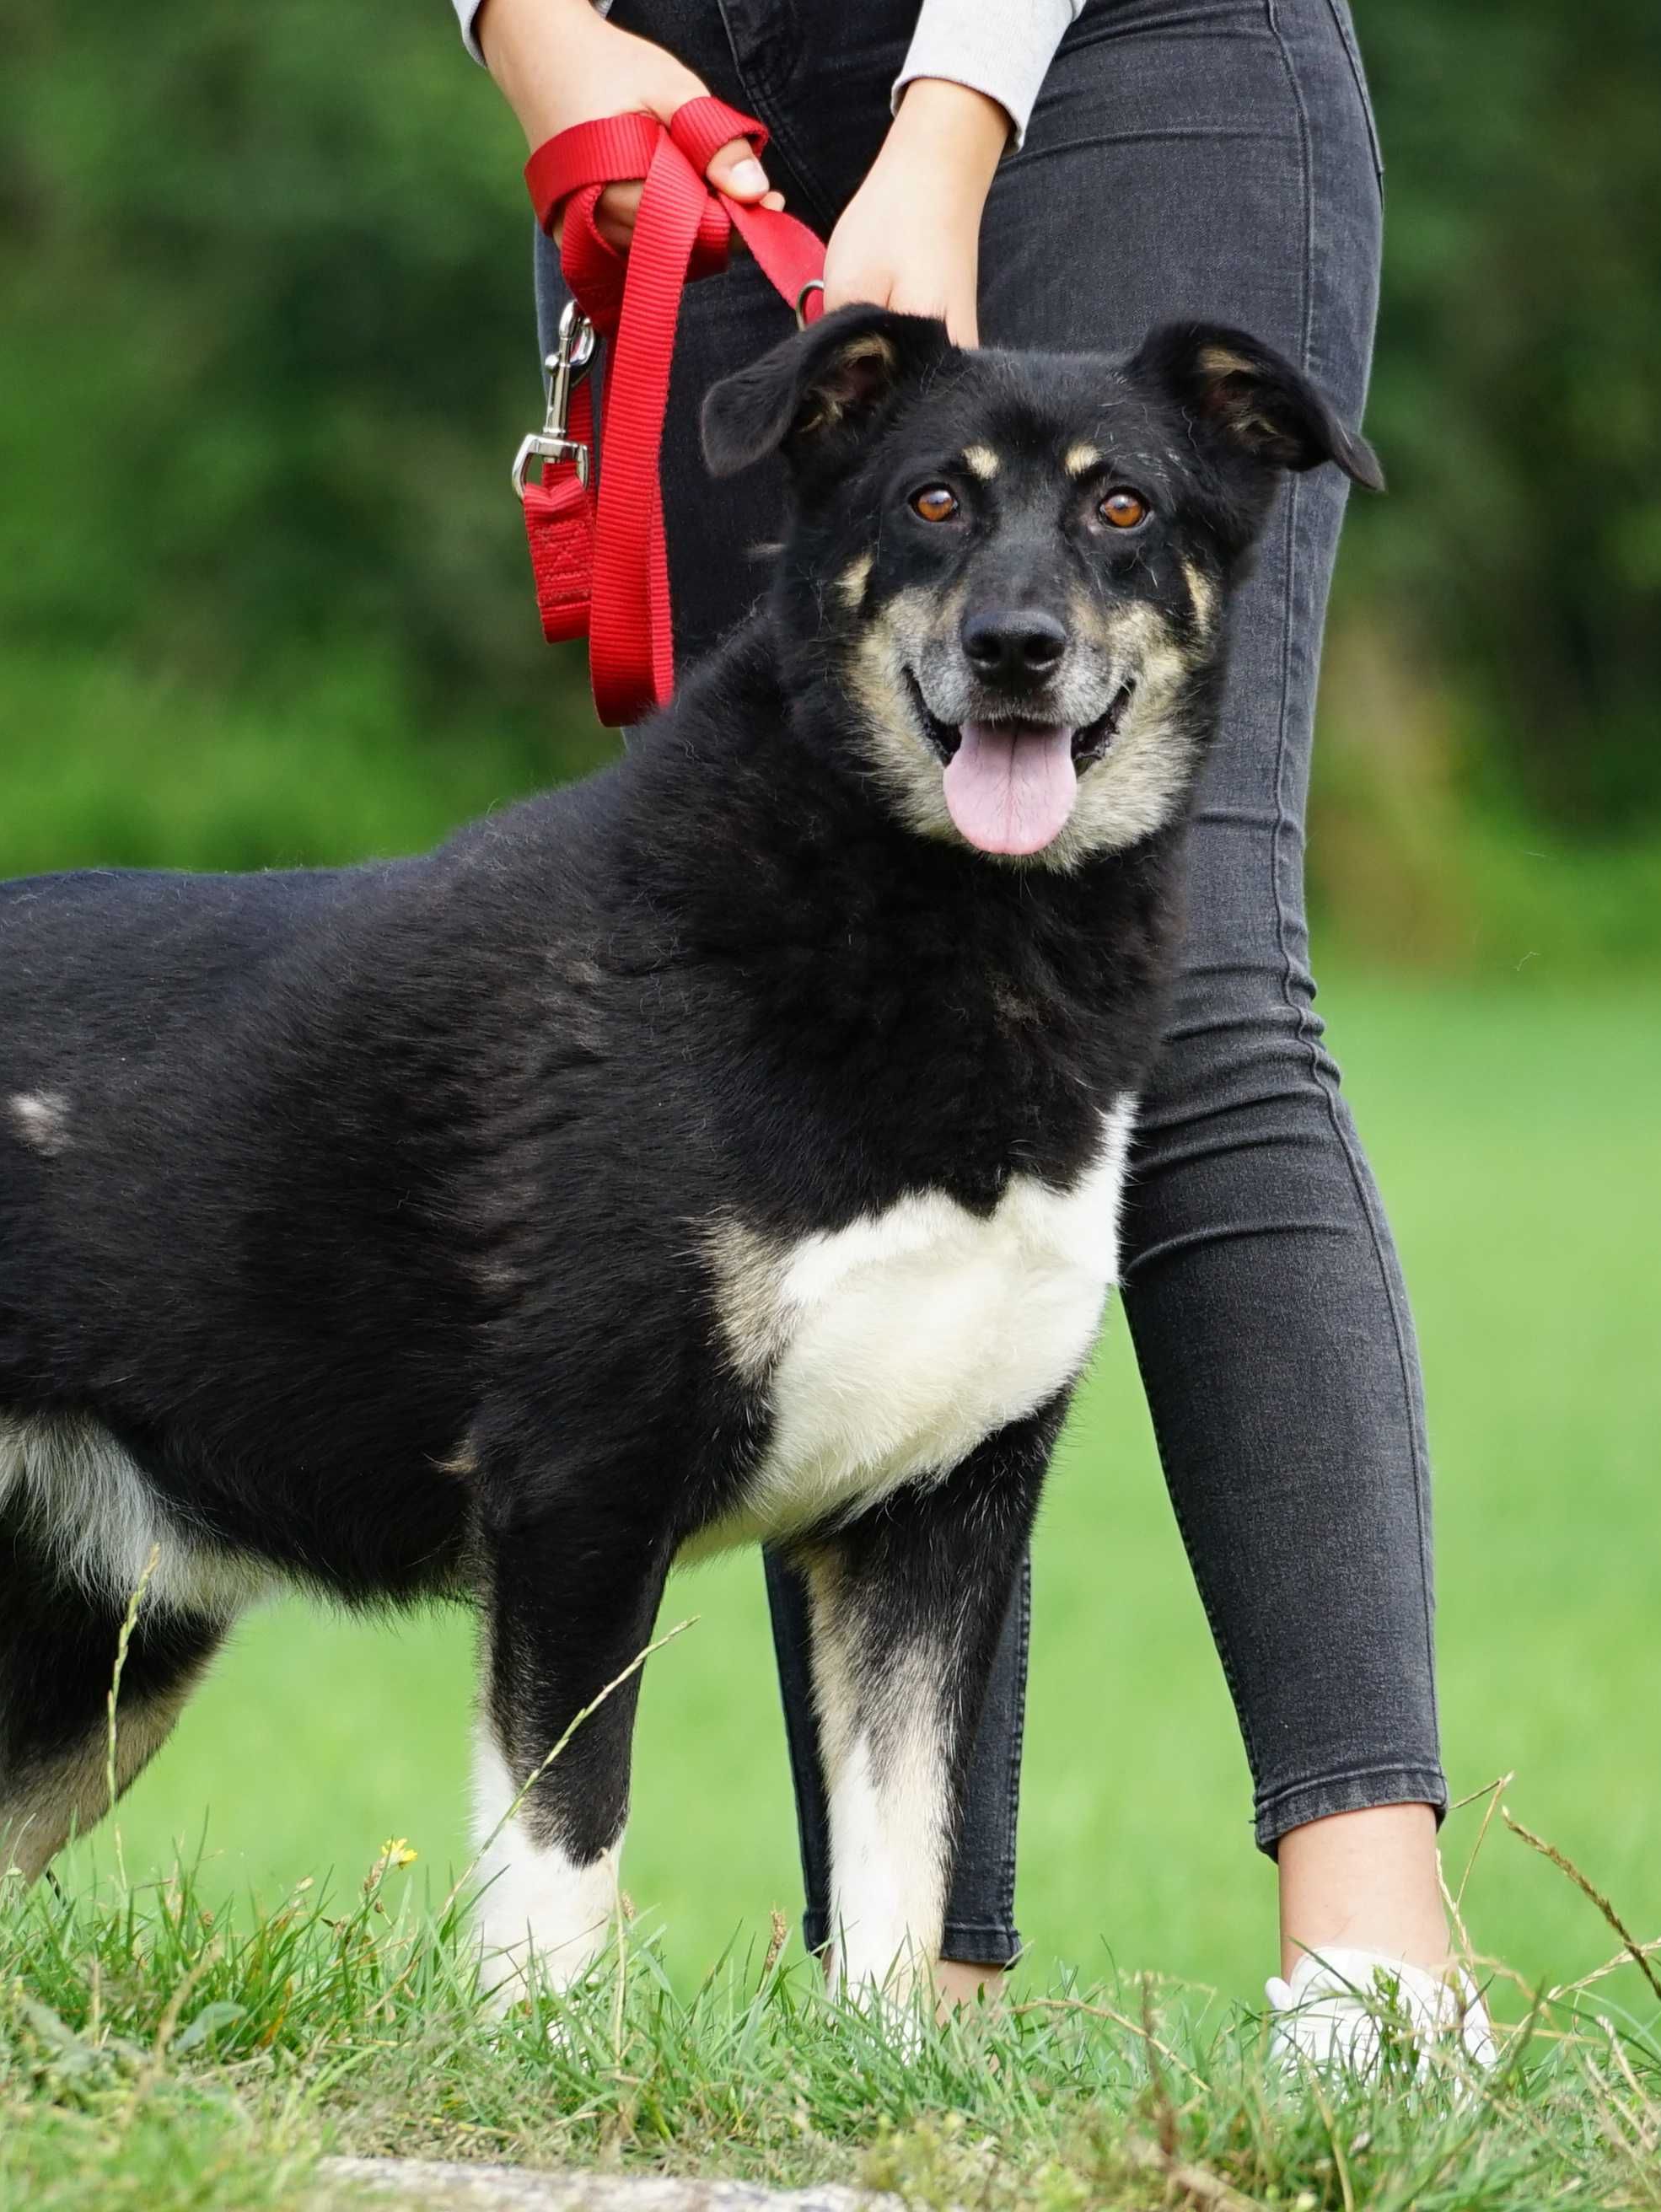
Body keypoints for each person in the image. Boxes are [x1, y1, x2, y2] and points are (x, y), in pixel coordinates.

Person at [455, 0, 1483, 2063]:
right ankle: (909, 1980)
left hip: (1111, 51)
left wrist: (950, 117)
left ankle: (1377, 1963)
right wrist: (527, 20)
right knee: (791, 1052)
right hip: (705, 80)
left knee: (1188, 997)